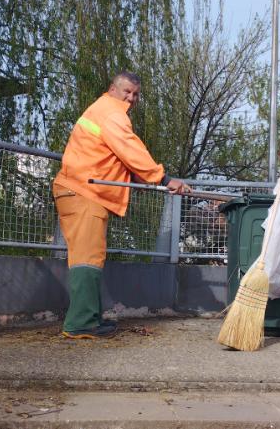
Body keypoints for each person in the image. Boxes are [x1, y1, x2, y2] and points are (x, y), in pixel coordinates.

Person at [53, 72, 191, 339]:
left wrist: (161, 182)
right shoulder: (112, 114)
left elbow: (124, 162)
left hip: (81, 191)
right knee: (87, 259)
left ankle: (89, 319)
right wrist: (164, 178)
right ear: (112, 89)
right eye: (127, 92)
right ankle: (79, 323)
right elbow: (131, 151)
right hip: (83, 191)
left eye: (136, 94)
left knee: (91, 257)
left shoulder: (102, 110)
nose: (131, 98)